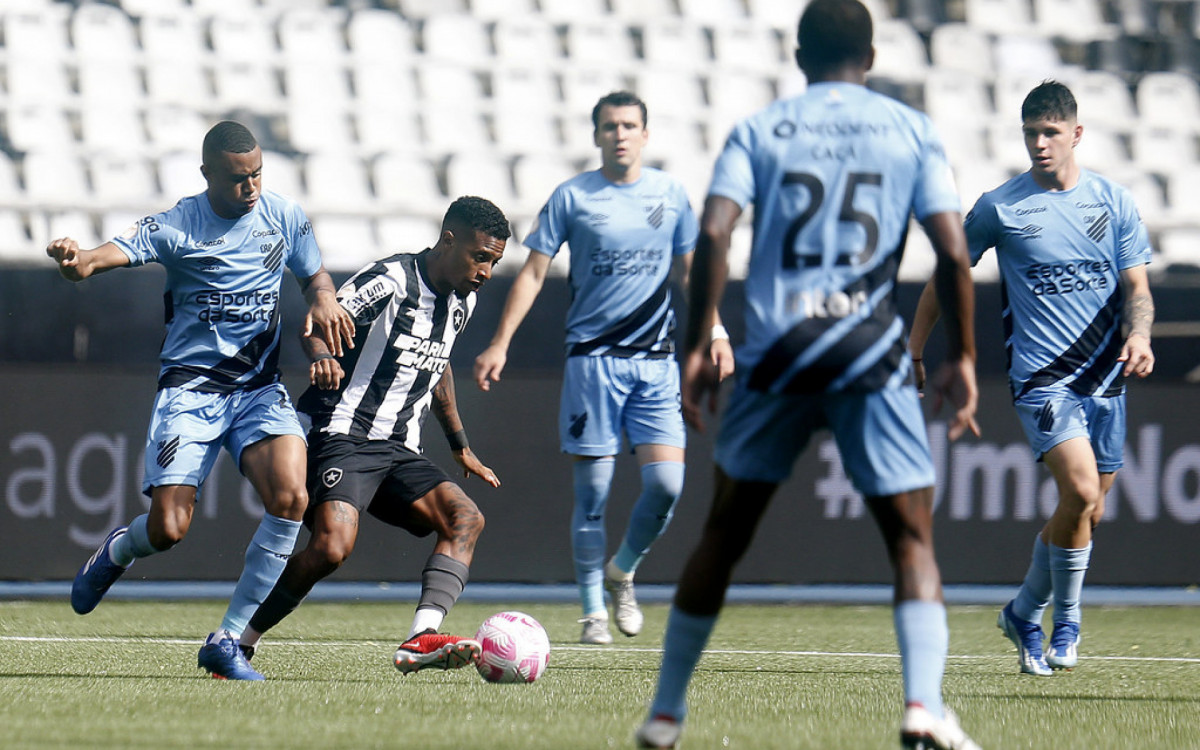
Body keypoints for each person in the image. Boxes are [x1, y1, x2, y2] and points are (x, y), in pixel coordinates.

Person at [635, 2, 982, 748]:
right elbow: (954, 254)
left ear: (798, 55)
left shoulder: (761, 129)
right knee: (911, 540)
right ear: (873, 56)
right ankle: (922, 705)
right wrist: (962, 358)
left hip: (778, 350)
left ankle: (665, 712)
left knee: (723, 535)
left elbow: (715, 231)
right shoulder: (911, 130)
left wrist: (699, 344)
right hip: (868, 350)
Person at [48, 120, 355, 680]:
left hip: (259, 389)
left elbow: (316, 278)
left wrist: (326, 299)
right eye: (239, 178)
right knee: (168, 530)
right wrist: (78, 261)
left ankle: (229, 639)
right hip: (191, 392)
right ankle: (118, 550)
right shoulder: (178, 225)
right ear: (208, 174)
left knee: (290, 496)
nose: (252, 187)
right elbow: (100, 257)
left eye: (258, 174)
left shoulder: (283, 216)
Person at [909, 80, 1155, 678]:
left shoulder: (1115, 203)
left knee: (1085, 515)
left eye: (1050, 133)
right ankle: (1067, 621)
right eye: (1030, 134)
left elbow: (1138, 291)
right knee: (1082, 495)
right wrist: (914, 347)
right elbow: (949, 275)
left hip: (1107, 380)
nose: (1040, 144)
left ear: (1076, 134)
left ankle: (1023, 612)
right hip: (1044, 383)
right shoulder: (1001, 206)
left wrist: (1140, 333)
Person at [474, 91, 711, 646]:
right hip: (593, 363)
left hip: (656, 364)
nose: (620, 134)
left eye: (630, 125)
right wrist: (500, 341)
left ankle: (621, 571)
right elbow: (533, 273)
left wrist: (716, 332)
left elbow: (692, 275)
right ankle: (591, 612)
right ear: (596, 135)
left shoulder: (671, 195)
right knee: (595, 494)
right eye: (610, 126)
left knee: (667, 485)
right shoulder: (573, 197)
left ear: (646, 135)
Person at [238, 196, 508, 678]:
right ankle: (239, 642)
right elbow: (318, 321)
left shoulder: (463, 300)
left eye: (495, 261)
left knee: (466, 519)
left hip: (399, 449)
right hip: (341, 432)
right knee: (331, 548)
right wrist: (322, 355)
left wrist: (459, 443)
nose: (486, 271)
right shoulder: (391, 279)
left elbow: (439, 362)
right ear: (449, 240)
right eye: (481, 256)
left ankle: (421, 637)